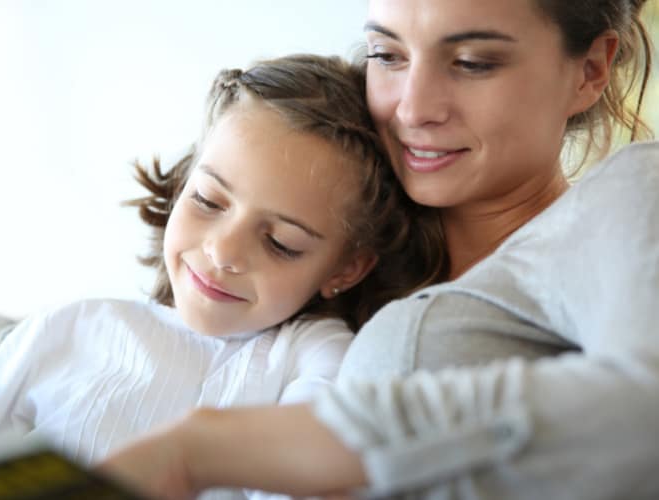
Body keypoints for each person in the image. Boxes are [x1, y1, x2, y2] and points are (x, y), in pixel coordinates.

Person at [91, 0, 659, 499]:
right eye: (386, 55)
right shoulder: (333, 251)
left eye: (472, 63)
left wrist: (203, 449)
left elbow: (644, 409)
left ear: (591, 70)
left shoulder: (630, 197)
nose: (413, 109)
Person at [0, 54, 443, 471]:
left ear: (345, 269)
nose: (222, 252)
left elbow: (322, 460)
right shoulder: (71, 328)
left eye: (281, 242)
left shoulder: (317, 360)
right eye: (209, 201)